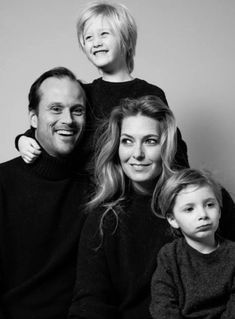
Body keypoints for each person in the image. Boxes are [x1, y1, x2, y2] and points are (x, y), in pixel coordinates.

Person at [16, 1, 189, 169]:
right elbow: (51, 127)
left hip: (133, 190)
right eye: (88, 37)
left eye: (104, 34)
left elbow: (173, 147)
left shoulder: (150, 93)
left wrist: (186, 188)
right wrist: (22, 140)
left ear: (126, 39)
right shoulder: (83, 93)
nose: (96, 42)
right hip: (86, 192)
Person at [67, 95, 180, 319]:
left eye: (150, 141)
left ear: (166, 146)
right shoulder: (103, 220)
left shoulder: (201, 203)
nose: (137, 154)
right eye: (127, 141)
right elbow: (90, 303)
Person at [0, 67, 89, 319]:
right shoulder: (4, 182)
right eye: (55, 109)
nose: (68, 120)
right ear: (33, 118)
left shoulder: (97, 186)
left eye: (77, 110)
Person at [150, 168, 235, 319]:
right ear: (173, 220)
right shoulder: (169, 257)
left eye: (210, 205)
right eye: (189, 209)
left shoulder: (233, 254)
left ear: (220, 211)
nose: (203, 215)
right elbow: (163, 306)